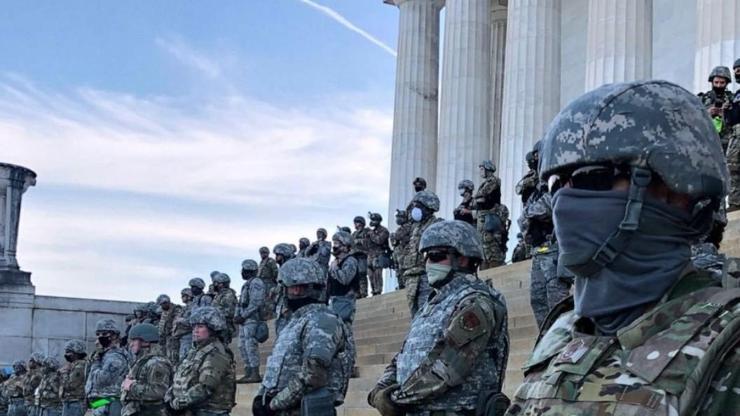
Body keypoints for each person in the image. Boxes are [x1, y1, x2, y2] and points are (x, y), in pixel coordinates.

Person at [506, 80, 740, 415]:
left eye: (592, 177)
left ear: (678, 190)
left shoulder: (729, 348)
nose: (563, 201)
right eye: (557, 184)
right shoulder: (564, 331)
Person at [368, 220, 510, 416]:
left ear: (462, 259)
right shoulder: (433, 304)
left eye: (436, 256)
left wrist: (396, 399)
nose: (428, 264)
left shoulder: (476, 302)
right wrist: (380, 390)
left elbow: (447, 367)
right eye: (426, 257)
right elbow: (402, 356)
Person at [254, 258, 349, 416]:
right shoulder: (295, 322)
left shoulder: (322, 320)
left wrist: (272, 405)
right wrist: (261, 397)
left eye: (284, 287)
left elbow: (312, 375)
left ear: (295, 289)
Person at [165, 306, 236, 416]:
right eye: (194, 327)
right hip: (194, 410)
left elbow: (206, 387)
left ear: (212, 329)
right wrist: (170, 396)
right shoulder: (196, 351)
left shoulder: (217, 353)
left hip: (211, 411)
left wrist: (177, 403)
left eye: (200, 326)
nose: (195, 331)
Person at [400, 190, 443, 317]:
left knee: (427, 313)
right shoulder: (415, 227)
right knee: (416, 315)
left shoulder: (437, 225)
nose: (414, 209)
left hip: (427, 276)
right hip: (412, 277)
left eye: (418, 206)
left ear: (428, 208)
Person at [120, 323, 173, 416]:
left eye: (133, 340)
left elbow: (158, 392)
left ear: (145, 341)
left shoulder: (157, 363)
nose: (131, 344)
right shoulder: (143, 361)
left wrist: (131, 386)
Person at [328, 230, 360, 379]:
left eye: (338, 244)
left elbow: (345, 279)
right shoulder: (335, 262)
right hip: (334, 301)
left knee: (346, 335)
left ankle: (350, 365)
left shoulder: (351, 261)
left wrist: (334, 269)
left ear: (346, 246)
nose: (335, 247)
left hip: (345, 302)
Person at [85, 319, 129, 416]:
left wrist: (96, 362)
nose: (100, 337)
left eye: (104, 334)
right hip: (102, 402)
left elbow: (102, 379)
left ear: (114, 336)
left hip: (111, 403)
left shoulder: (116, 356)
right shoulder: (104, 355)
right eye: (98, 334)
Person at [234, 259, 266, 384]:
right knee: (242, 346)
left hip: (252, 319)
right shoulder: (246, 284)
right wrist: (237, 315)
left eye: (243, 269)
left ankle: (254, 372)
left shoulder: (256, 282)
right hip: (244, 320)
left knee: (250, 345)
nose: (242, 272)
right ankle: (248, 372)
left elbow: (256, 302)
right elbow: (241, 302)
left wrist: (244, 315)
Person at [473, 160, 509, 269]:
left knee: (492, 247)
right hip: (483, 219)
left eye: (482, 169)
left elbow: (482, 194)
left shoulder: (493, 181)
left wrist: (478, 199)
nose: (480, 172)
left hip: (490, 218)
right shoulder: (485, 182)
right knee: (483, 247)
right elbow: (477, 199)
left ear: (488, 169)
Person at [698, 65, 735, 152]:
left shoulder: (733, 99)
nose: (718, 85)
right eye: (716, 82)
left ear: (726, 83)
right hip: (706, 141)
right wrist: (707, 113)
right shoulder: (702, 99)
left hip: (728, 144)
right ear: (712, 82)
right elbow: (692, 118)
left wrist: (725, 115)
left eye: (722, 83)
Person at [175, 278, 212, 360]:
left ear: (199, 287)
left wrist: (183, 320)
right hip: (195, 331)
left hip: (203, 331)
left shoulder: (205, 298)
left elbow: (206, 315)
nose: (192, 289)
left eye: (194, 287)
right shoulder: (195, 300)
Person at [724, 59, 740, 211]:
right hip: (735, 135)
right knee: (732, 167)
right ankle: (735, 203)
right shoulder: (736, 95)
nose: (737, 72)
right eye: (735, 70)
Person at [273, 243, 297, 336]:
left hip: (289, 308)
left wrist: (288, 306)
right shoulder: (283, 268)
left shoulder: (291, 267)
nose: (276, 258)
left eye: (278, 255)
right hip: (282, 307)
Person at [60, 340, 87, 416]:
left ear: (76, 352)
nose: (66, 354)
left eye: (69, 352)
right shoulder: (73, 365)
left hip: (76, 403)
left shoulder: (80, 366)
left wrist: (65, 373)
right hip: (70, 402)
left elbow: (71, 385)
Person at [367, 212, 390, 296]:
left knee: (377, 274)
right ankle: (373, 291)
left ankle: (378, 291)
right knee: (370, 275)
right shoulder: (371, 231)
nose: (372, 222)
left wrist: (371, 234)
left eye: (374, 220)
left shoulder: (384, 230)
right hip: (370, 255)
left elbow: (379, 240)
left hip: (379, 254)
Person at [211, 273, 238, 344]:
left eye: (215, 283)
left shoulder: (228, 295)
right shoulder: (219, 295)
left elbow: (227, 312)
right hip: (218, 324)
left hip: (224, 325)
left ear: (221, 284)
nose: (214, 285)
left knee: (223, 348)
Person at [155, 294, 181, 365]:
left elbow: (176, 322)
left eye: (162, 304)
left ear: (167, 302)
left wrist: (172, 333)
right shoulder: (163, 311)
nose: (161, 306)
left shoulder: (176, 309)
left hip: (172, 337)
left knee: (173, 356)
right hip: (164, 337)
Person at [389, 209, 412, 290]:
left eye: (400, 217)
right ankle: (401, 285)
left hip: (404, 253)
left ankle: (404, 286)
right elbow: (394, 242)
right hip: (398, 254)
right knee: (398, 271)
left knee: (403, 270)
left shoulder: (408, 226)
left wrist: (393, 236)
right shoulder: (400, 228)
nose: (398, 219)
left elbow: (398, 236)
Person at [170, 288, 192, 364]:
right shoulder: (185, 308)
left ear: (189, 296)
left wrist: (181, 320)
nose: (181, 298)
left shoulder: (192, 307)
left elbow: (192, 321)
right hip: (180, 337)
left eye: (183, 296)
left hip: (187, 336)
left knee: (184, 359)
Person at [351, 216, 371, 298]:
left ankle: (363, 292)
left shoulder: (367, 231)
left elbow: (368, 242)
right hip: (355, 256)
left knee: (362, 274)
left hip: (363, 255)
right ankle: (357, 293)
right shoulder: (354, 233)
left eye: (357, 222)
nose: (355, 224)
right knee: (355, 276)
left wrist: (358, 241)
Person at [257, 246, 279, 319]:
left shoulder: (270, 261)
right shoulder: (261, 262)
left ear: (267, 253)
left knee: (270, 299)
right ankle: (265, 315)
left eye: (264, 253)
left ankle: (271, 315)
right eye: (261, 253)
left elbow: (275, 271)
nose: (263, 254)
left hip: (269, 282)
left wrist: (274, 280)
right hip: (262, 283)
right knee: (263, 300)